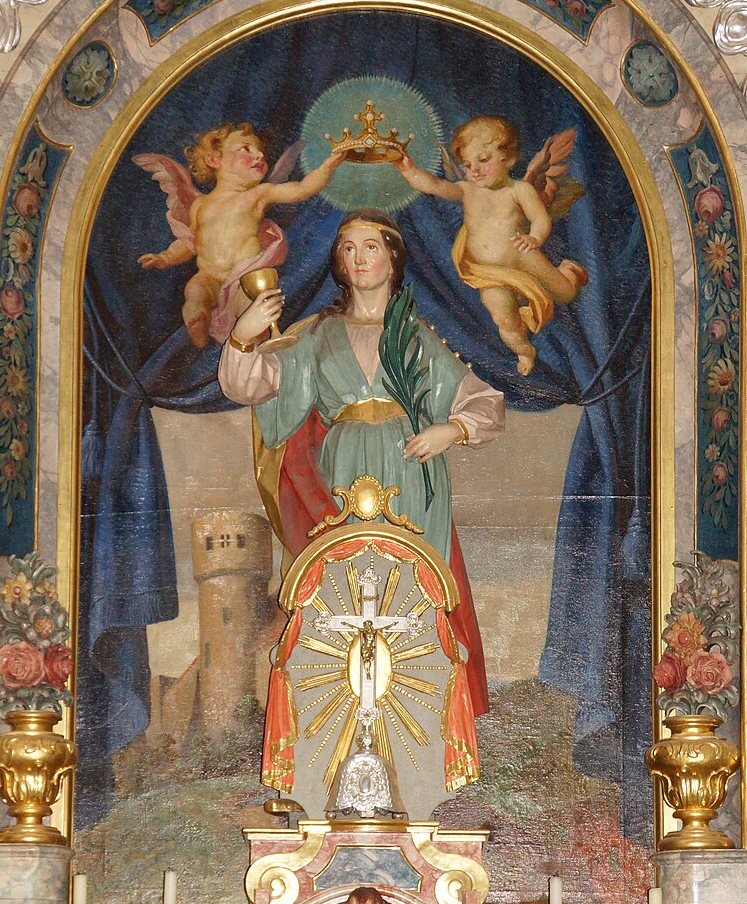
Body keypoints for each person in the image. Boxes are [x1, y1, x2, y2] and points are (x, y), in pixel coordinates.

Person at [217, 207, 504, 714]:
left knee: (412, 594)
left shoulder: (415, 335)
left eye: (371, 247)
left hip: (411, 470)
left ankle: (419, 711)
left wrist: (451, 429)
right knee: (345, 593)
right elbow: (252, 385)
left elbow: (486, 402)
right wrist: (245, 336)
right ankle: (342, 709)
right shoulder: (317, 335)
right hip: (342, 470)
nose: (359, 258)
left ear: (392, 258)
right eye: (348, 249)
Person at [397, 115, 588, 375]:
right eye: (467, 164)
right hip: (487, 274)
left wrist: (534, 238)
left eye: (483, 160)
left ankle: (569, 271)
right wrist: (408, 170)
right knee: (503, 318)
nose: (474, 170)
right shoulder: (467, 190)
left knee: (566, 293)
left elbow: (540, 219)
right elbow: (435, 186)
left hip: (522, 257)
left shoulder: (519, 190)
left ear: (507, 158)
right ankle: (524, 350)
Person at [134, 123, 342, 348]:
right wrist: (166, 257)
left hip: (246, 277)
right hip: (209, 277)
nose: (259, 155)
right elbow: (190, 242)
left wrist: (327, 167)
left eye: (261, 152)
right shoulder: (199, 206)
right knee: (194, 291)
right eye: (246, 149)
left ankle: (262, 346)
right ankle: (198, 335)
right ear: (214, 159)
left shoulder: (258, 194)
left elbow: (301, 189)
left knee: (252, 309)